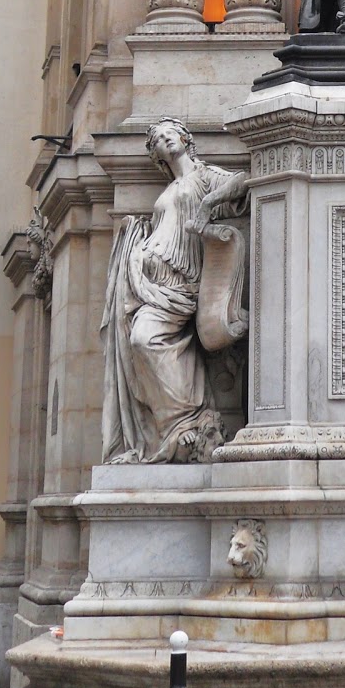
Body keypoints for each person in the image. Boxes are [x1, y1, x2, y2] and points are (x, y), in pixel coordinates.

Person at [100, 118, 247, 464]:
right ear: (156, 155)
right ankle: (172, 428)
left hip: (181, 285)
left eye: (170, 134)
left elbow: (242, 182)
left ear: (185, 138)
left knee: (143, 340)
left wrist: (210, 204)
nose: (165, 140)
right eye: (157, 140)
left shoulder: (204, 176)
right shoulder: (168, 190)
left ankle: (186, 418)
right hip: (149, 281)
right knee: (135, 341)